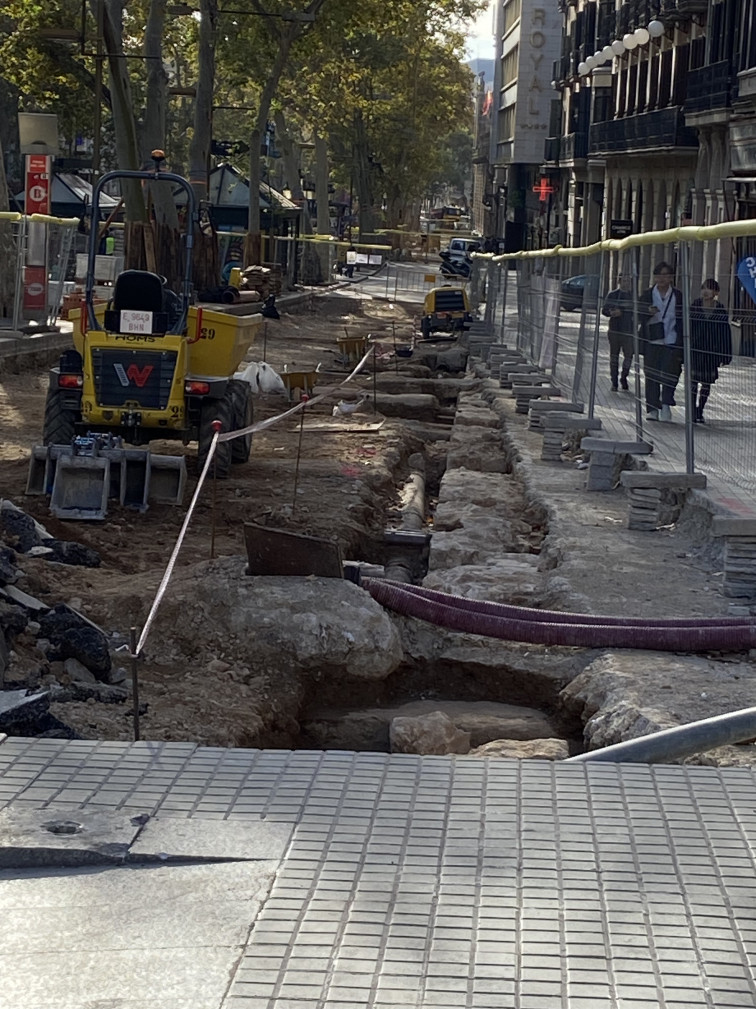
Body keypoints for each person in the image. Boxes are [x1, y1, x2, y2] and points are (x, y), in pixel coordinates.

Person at [638, 261, 684, 422]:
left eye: (666, 275)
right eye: (659, 275)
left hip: (672, 341)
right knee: (651, 375)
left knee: (671, 374)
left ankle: (665, 404)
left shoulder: (678, 296)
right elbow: (637, 314)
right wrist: (646, 311)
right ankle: (652, 408)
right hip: (652, 341)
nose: (662, 278)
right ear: (655, 277)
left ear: (671, 277)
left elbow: (683, 320)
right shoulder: (647, 294)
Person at [689, 278, 732, 424]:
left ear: (716, 292)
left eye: (710, 288)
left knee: (706, 383)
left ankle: (700, 409)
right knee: (693, 382)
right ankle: (692, 411)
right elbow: (687, 327)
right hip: (695, 349)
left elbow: (725, 333)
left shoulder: (720, 310)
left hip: (711, 351)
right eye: (704, 288)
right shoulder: (694, 307)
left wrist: (725, 355)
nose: (706, 291)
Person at [602, 273, 635, 391]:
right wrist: (612, 313)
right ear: (619, 281)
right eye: (624, 281)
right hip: (615, 330)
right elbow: (604, 310)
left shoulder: (633, 296)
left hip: (629, 331)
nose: (626, 283)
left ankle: (624, 377)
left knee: (628, 356)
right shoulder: (613, 294)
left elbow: (638, 311)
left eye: (628, 281)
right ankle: (614, 381)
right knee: (614, 357)